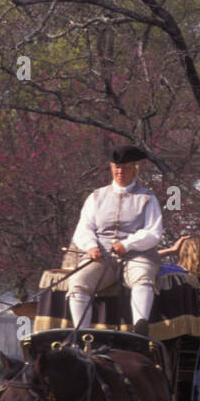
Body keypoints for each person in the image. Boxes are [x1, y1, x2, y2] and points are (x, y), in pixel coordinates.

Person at [67, 144, 164, 336]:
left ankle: (140, 329)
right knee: (78, 281)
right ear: (111, 168)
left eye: (126, 168)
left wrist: (127, 245)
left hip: (137, 255)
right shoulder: (96, 196)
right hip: (102, 256)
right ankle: (81, 333)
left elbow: (154, 232)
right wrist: (90, 246)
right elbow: (84, 228)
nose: (120, 172)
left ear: (134, 169)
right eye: (116, 168)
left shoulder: (147, 198)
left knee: (143, 277)